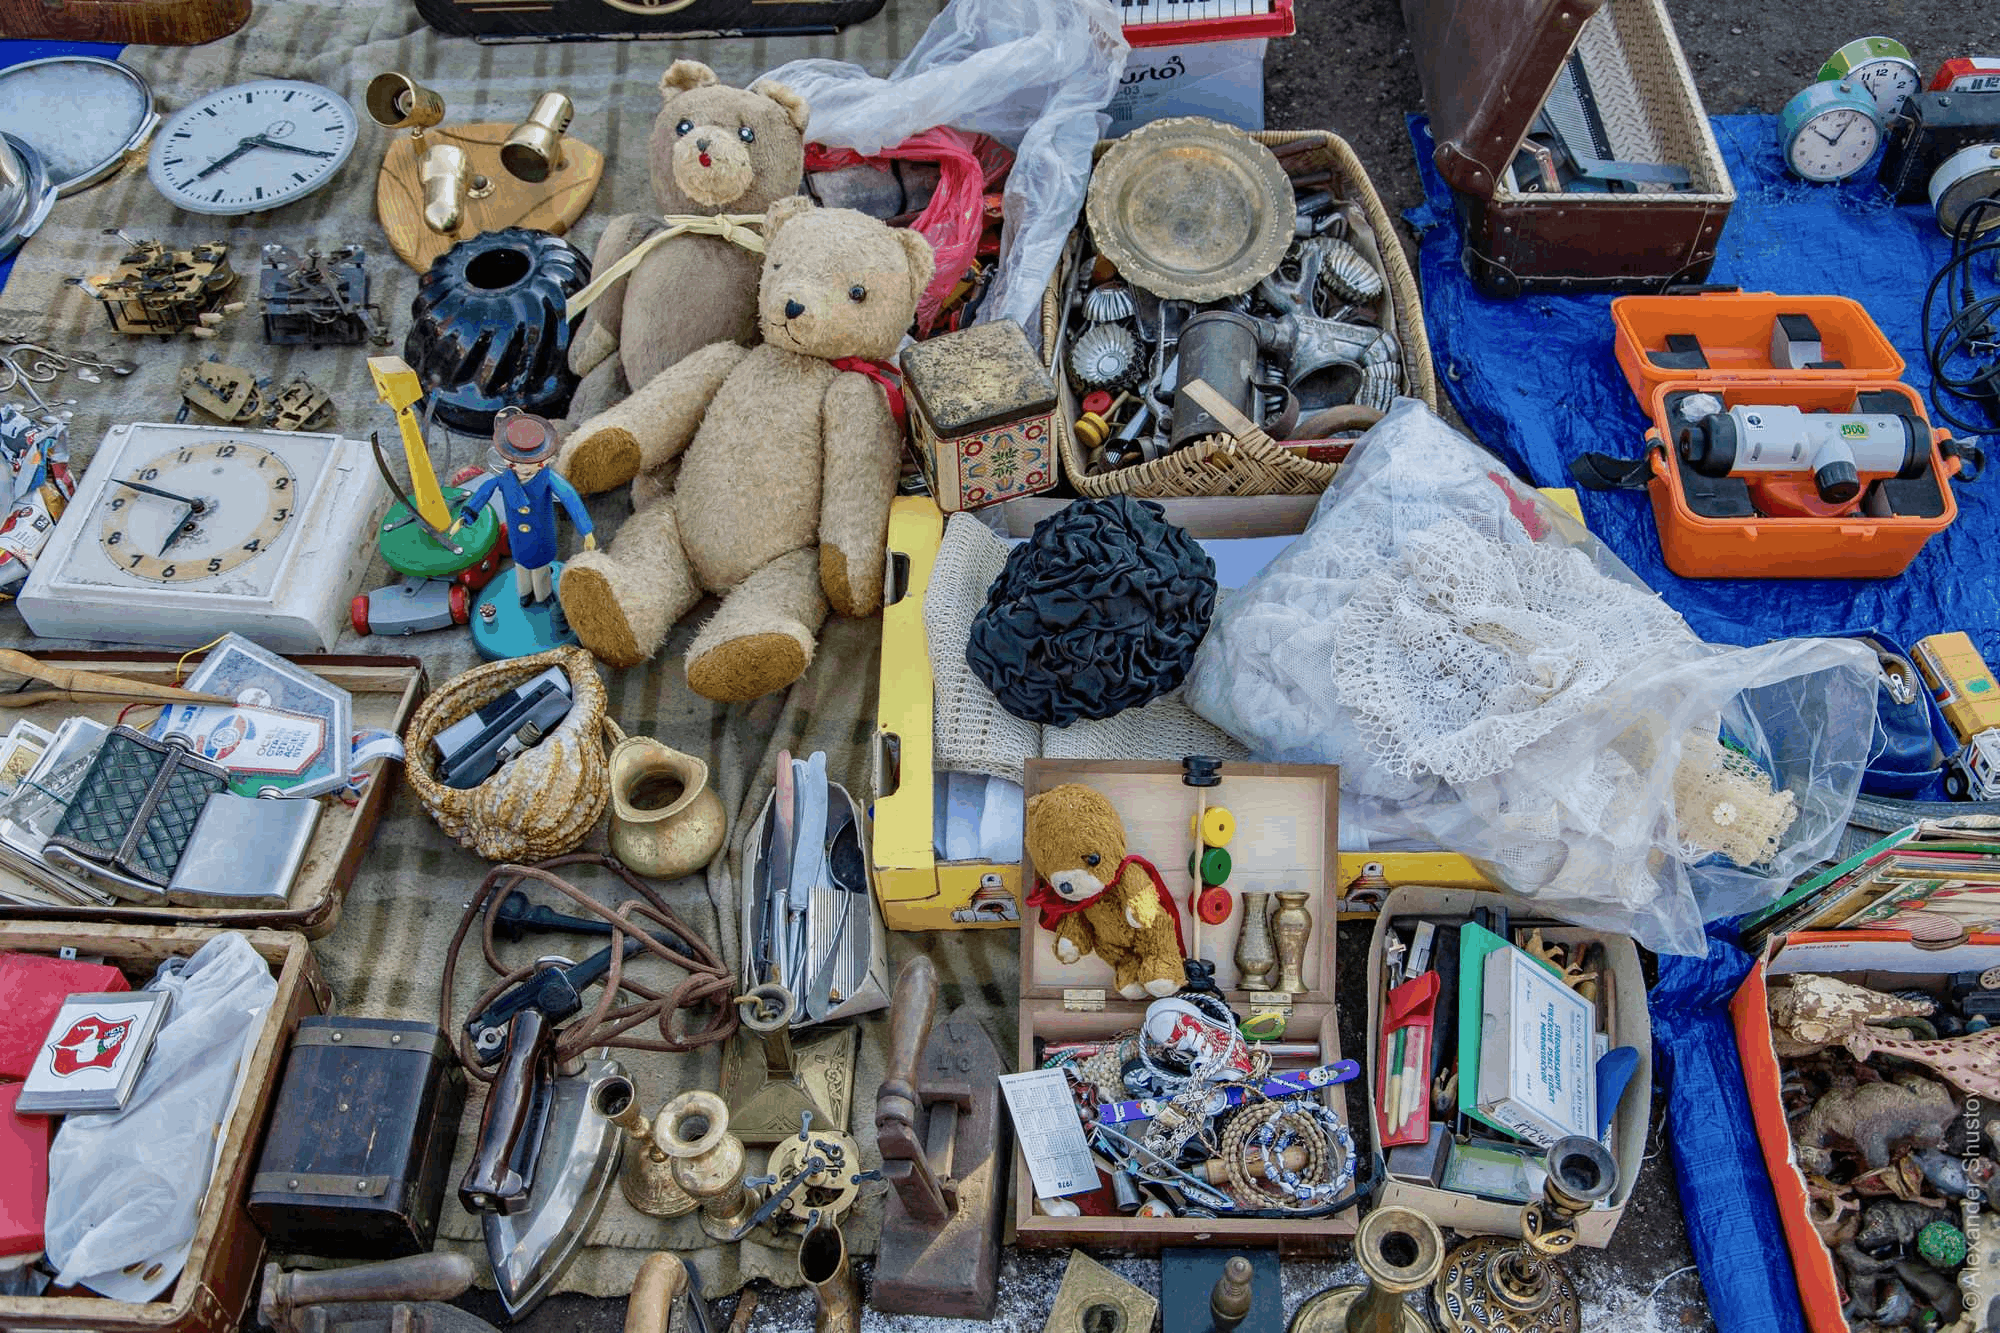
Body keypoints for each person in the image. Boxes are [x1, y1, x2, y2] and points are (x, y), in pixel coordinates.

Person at [460, 409, 595, 607]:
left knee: (541, 570)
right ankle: (524, 593)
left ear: (546, 460)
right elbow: (483, 492)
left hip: (542, 536)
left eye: (532, 463)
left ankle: (543, 595)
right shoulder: (504, 479)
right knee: (521, 567)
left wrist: (587, 531)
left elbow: (570, 498)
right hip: (517, 538)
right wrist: (468, 514)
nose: (524, 469)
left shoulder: (548, 478)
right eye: (517, 463)